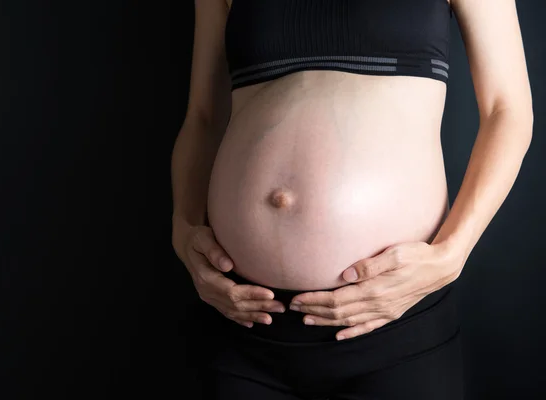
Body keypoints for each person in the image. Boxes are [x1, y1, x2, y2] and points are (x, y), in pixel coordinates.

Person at [171, 0, 533, 398]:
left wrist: (452, 253)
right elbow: (202, 118)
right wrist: (183, 228)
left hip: (394, 324)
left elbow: (508, 110)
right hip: (243, 327)